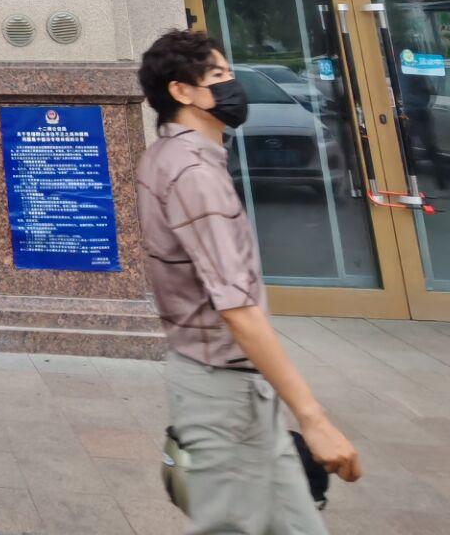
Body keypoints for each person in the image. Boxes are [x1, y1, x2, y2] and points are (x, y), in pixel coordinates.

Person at [136, 29, 362, 534]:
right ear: (181, 91)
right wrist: (313, 418)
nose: (231, 85)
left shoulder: (166, 158)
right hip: (221, 392)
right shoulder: (193, 175)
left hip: (234, 386)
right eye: (218, 75)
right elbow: (237, 309)